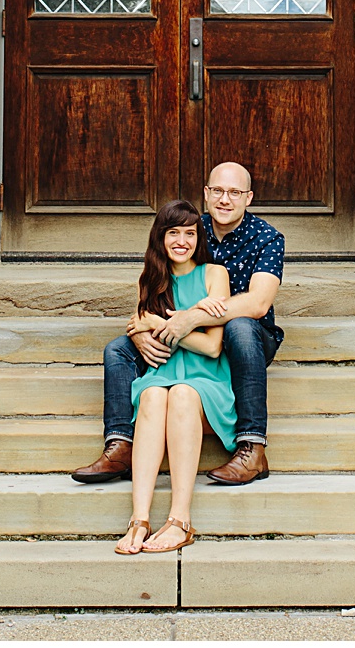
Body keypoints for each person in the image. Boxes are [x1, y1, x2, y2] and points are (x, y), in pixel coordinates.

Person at [75, 161, 284, 488]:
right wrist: (143, 328)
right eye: (217, 191)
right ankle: (122, 445)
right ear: (206, 193)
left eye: (234, 192)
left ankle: (252, 446)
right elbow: (156, 279)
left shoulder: (267, 238)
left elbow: (258, 303)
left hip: (246, 341)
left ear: (249, 198)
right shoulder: (190, 227)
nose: (225, 199)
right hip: (180, 333)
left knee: (239, 327)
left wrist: (192, 318)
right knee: (118, 349)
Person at [112, 199, 235, 555]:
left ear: (200, 237)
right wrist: (146, 327)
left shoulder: (215, 275)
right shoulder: (151, 279)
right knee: (151, 395)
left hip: (204, 378)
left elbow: (212, 347)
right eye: (174, 233)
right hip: (162, 370)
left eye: (191, 233)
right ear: (161, 237)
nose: (182, 241)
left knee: (181, 393)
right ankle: (139, 519)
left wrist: (160, 323)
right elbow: (139, 328)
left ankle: (180, 520)